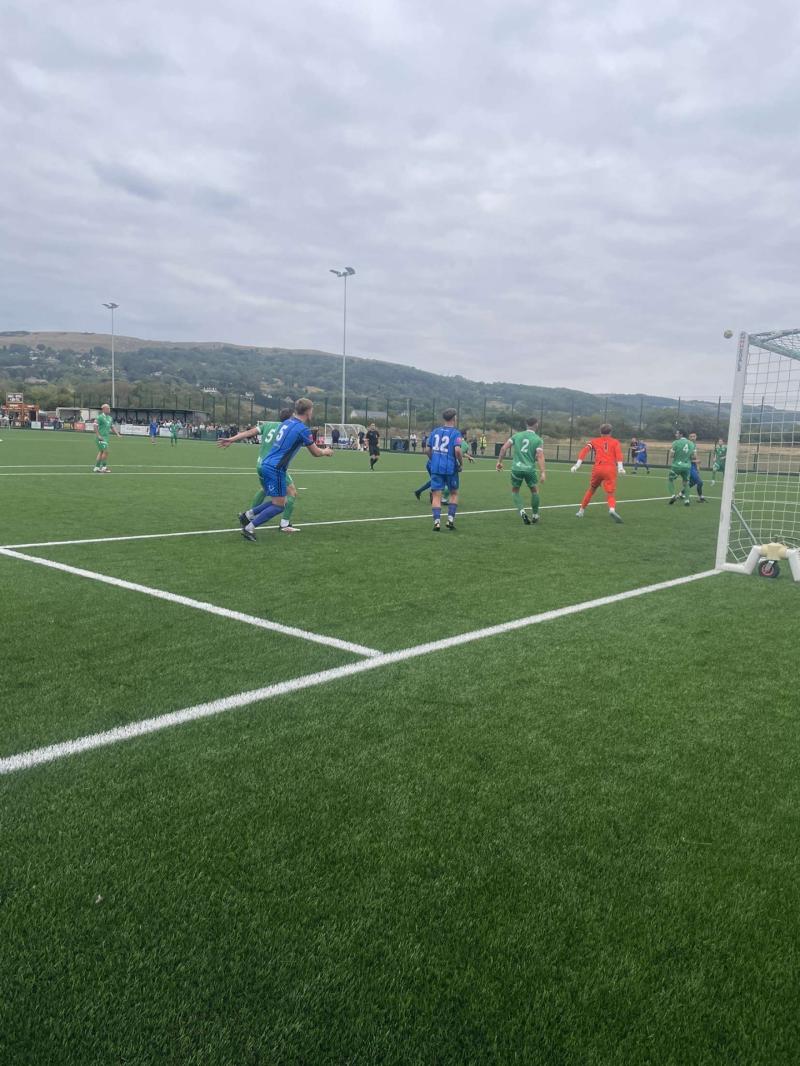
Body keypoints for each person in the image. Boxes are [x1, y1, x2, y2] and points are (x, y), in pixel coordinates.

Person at [236, 399, 332, 541]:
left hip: (266, 463)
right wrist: (326, 451)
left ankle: (248, 515)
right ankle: (249, 528)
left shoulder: (287, 423)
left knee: (278, 500)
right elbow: (316, 453)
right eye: (311, 409)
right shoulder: (303, 430)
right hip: (276, 468)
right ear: (308, 411)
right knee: (280, 505)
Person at [219, 408, 301, 533]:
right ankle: (284, 524)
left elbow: (249, 433)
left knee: (265, 490)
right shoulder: (287, 430)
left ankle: (248, 516)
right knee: (292, 493)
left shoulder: (268, 425)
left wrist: (232, 439)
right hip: (274, 466)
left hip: (260, 465)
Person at [496, 417, 546, 525]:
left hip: (516, 468)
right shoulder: (538, 439)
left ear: (526, 424)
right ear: (536, 425)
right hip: (529, 470)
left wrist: (499, 462)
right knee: (535, 491)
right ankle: (535, 515)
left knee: (515, 491)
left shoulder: (516, 436)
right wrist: (542, 472)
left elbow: (503, 448)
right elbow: (540, 456)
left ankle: (522, 511)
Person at [571, 423, 625, 523]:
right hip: (610, 469)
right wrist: (621, 468)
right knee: (610, 493)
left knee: (592, 489)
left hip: (598, 468)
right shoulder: (615, 442)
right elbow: (619, 455)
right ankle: (612, 509)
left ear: (600, 432)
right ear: (611, 432)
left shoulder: (594, 441)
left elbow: (584, 451)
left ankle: (581, 511)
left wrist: (577, 465)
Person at [426, 409, 463, 531]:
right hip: (450, 468)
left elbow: (427, 450)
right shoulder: (456, 433)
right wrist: (460, 463)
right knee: (454, 493)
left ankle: (436, 522)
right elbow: (457, 450)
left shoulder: (435, 431)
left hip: (436, 468)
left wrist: (433, 459)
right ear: (454, 418)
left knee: (436, 495)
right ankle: (450, 520)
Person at [668, 429, 695, 506]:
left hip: (676, 466)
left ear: (681, 434)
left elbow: (671, 456)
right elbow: (694, 457)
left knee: (670, 480)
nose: (675, 435)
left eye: (677, 433)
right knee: (686, 483)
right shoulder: (691, 444)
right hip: (687, 466)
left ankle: (673, 496)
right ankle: (687, 501)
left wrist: (677, 456)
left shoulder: (675, 442)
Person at [93, 403, 121, 472]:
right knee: (106, 451)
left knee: (101, 451)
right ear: (103, 409)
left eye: (109, 408)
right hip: (101, 437)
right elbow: (95, 426)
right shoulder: (99, 417)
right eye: (108, 408)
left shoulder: (110, 418)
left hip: (106, 438)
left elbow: (112, 427)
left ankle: (96, 467)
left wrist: (117, 434)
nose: (109, 410)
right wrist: (98, 435)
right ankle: (104, 467)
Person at [687, 433, 707, 502]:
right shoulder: (687, 445)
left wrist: (697, 466)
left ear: (696, 437)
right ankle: (701, 497)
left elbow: (695, 457)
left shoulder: (694, 445)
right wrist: (696, 461)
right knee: (700, 482)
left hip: (693, 465)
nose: (692, 438)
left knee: (692, 482)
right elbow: (686, 458)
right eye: (691, 436)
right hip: (689, 466)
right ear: (689, 438)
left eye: (694, 436)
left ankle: (680, 494)